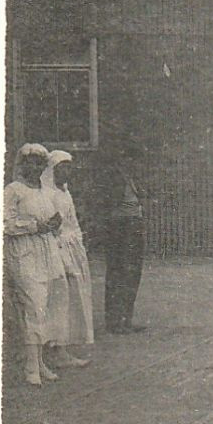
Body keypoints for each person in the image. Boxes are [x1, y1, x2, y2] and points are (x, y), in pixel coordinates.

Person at [5, 144, 66, 386]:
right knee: (34, 304)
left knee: (45, 305)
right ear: (22, 164)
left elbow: (53, 220)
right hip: (24, 253)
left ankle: (39, 362)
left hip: (46, 252)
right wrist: (33, 227)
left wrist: (53, 223)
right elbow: (5, 223)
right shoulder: (13, 190)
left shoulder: (45, 191)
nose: (36, 167)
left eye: (40, 163)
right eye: (31, 162)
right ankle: (31, 367)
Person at [41, 150, 93, 367]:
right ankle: (55, 349)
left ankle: (62, 348)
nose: (67, 172)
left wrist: (79, 244)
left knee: (72, 298)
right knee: (58, 298)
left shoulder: (65, 192)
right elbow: (53, 226)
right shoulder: (48, 194)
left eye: (69, 167)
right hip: (57, 250)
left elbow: (73, 222)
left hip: (73, 249)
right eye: (62, 167)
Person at [100, 153, 149, 334]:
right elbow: (105, 204)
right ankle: (114, 321)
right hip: (119, 227)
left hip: (134, 225)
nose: (132, 162)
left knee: (133, 272)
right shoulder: (112, 177)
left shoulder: (133, 179)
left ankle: (126, 319)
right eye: (129, 158)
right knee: (118, 272)